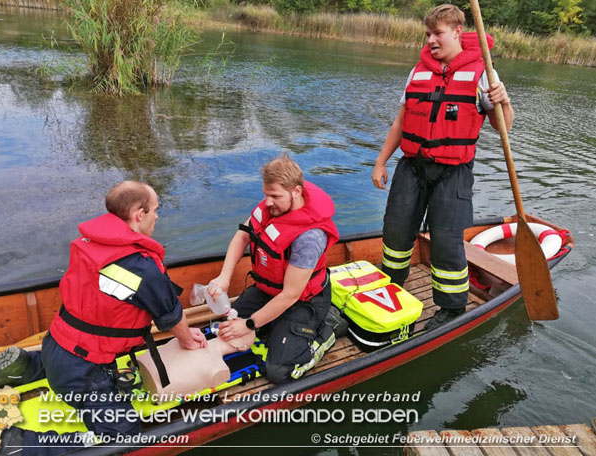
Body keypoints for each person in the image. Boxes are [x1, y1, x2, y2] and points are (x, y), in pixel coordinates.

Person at [0, 181, 206, 456]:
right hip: (83, 372)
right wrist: (189, 340)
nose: (158, 215)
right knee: (123, 440)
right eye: (155, 209)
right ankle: (24, 445)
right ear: (138, 214)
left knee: (67, 354)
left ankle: (27, 366)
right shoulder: (141, 266)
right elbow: (170, 316)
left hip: (55, 344)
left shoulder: (91, 242)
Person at [371, 4, 514, 331]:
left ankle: (451, 309)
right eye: (427, 34)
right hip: (412, 167)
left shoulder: (483, 74)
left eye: (437, 34)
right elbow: (401, 120)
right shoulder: (417, 72)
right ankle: (391, 286)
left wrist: (503, 99)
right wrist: (381, 162)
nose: (431, 40)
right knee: (396, 231)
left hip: (453, 172)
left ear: (457, 33)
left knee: (447, 241)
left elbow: (503, 125)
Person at [208, 155, 339, 384]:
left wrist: (249, 325)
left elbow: (291, 295)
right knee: (224, 328)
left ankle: (326, 332)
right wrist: (224, 278)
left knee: (279, 371)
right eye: (266, 194)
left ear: (296, 191)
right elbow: (242, 237)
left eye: (275, 196)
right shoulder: (271, 208)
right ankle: (272, 326)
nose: (268, 202)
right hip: (270, 291)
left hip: (304, 301)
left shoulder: (309, 237)